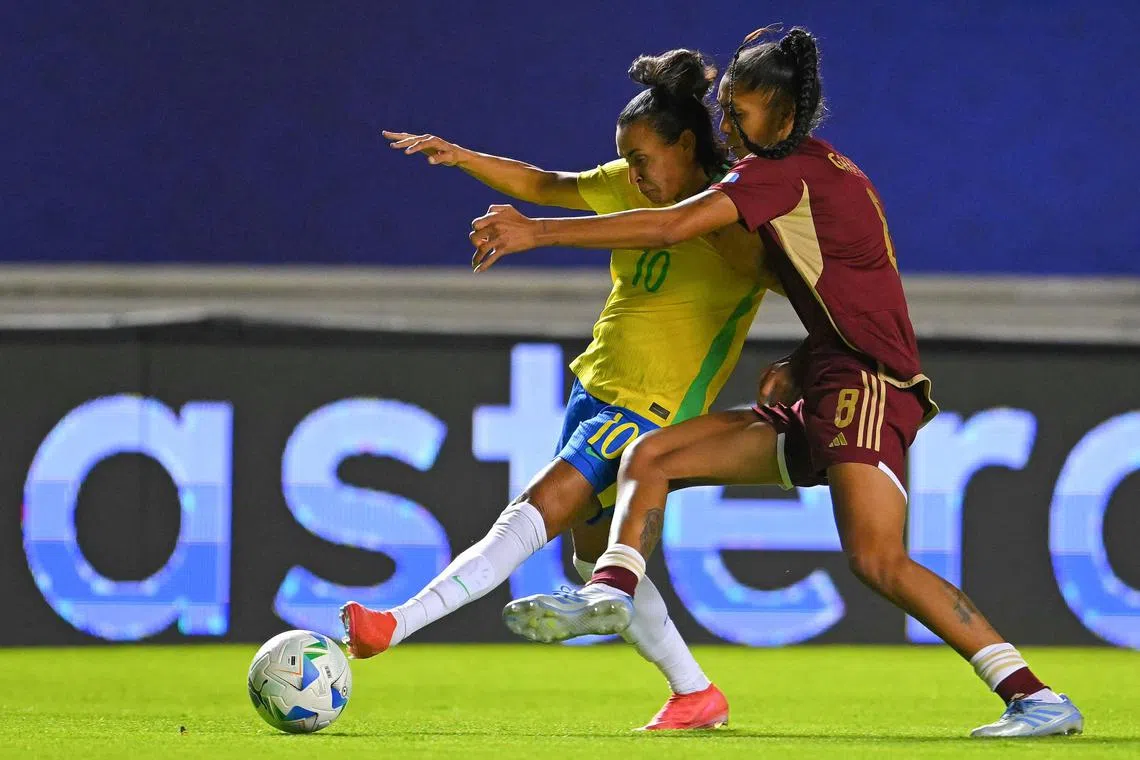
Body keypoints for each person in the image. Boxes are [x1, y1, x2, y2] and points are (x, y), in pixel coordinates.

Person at [474, 26, 1084, 740]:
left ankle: (1035, 697)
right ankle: (609, 589)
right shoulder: (813, 171)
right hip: (830, 375)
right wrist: (803, 359)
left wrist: (537, 234)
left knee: (877, 561)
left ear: (786, 117)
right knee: (654, 455)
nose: (728, 126)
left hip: (867, 384)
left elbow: (673, 229)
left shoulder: (776, 175)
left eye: (742, 113)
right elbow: (851, 285)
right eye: (726, 109)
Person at [342, 48, 782, 730]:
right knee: (591, 561)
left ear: (687, 144)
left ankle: (394, 625)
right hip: (597, 386)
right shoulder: (635, 189)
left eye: (642, 160)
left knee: (535, 509)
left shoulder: (728, 213)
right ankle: (695, 694)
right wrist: (461, 156)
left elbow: (687, 238)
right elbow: (546, 182)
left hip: (650, 406)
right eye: (626, 163)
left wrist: (535, 235)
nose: (632, 176)